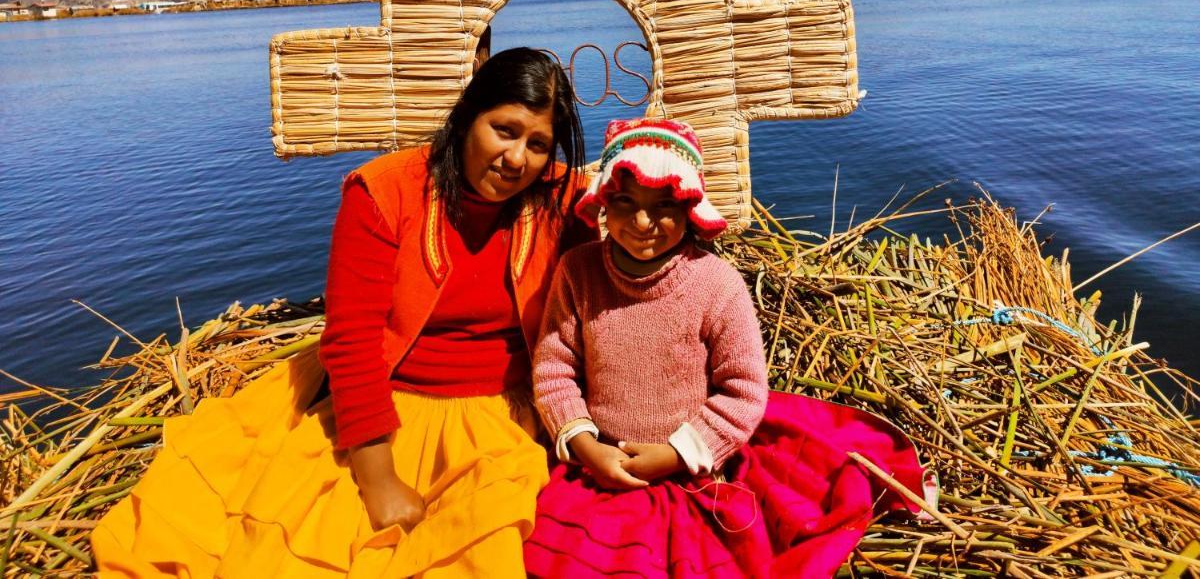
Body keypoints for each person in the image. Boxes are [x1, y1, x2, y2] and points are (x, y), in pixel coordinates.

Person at [93, 46, 593, 578]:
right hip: (388, 410)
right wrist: (378, 479)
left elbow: (606, 304)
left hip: (508, 416)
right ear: (469, 113)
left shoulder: (564, 201)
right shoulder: (386, 191)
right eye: (504, 129)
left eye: (538, 144)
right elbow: (353, 339)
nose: (517, 159)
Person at [524, 117, 927, 578]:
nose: (641, 222)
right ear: (604, 203)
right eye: (624, 202)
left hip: (692, 466)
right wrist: (586, 446)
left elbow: (744, 390)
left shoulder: (715, 284)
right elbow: (555, 369)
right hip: (601, 461)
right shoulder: (578, 271)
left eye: (664, 206)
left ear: (692, 209)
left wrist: (675, 455)